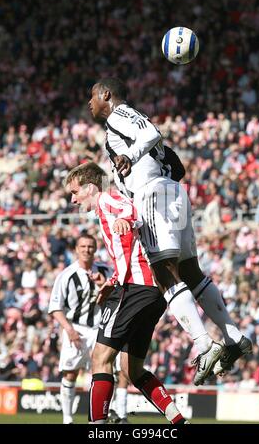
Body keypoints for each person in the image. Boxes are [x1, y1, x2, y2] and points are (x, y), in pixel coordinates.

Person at [88, 77, 252, 381]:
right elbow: (177, 167)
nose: (89, 103)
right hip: (172, 191)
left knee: (164, 272)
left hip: (153, 194)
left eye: (92, 97)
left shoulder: (119, 115)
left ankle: (204, 345)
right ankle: (233, 338)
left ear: (106, 95)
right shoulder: (131, 123)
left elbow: (150, 133)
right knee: (191, 273)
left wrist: (132, 159)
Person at [64, 163, 189, 424]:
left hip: (133, 289)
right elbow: (129, 250)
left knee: (101, 359)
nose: (73, 199)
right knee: (132, 370)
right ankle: (178, 421)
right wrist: (111, 279)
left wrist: (125, 219)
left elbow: (129, 209)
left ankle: (97, 427)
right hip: (151, 292)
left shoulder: (107, 198)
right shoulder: (103, 208)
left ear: (90, 188)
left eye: (75, 192)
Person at [48, 234, 110, 424]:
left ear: (96, 249)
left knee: (103, 373)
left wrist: (103, 285)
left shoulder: (107, 271)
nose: (87, 250)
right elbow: (55, 308)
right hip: (77, 329)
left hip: (100, 330)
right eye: (83, 246)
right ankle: (67, 418)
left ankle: (102, 417)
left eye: (90, 246)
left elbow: (119, 296)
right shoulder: (66, 275)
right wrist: (69, 330)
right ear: (76, 249)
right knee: (70, 373)